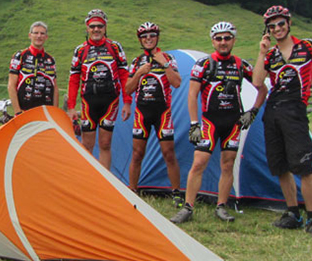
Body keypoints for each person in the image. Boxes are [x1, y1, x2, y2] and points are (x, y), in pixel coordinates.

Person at [252, 5, 312, 241]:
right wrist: (261, 52)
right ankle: (293, 214)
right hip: (272, 112)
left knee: (304, 166)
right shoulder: (269, 55)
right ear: (268, 30)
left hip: (295, 111)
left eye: (281, 23)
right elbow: (258, 82)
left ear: (289, 23)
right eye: (272, 26)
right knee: (280, 167)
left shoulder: (308, 46)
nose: (278, 28)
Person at [170, 21, 267, 224]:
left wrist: (253, 112)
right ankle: (188, 207)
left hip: (233, 123)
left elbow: (261, 87)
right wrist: (194, 123)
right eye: (219, 38)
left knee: (227, 165)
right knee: (198, 163)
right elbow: (192, 94)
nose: (223, 42)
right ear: (213, 41)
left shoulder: (241, 65)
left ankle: (221, 207)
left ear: (233, 40)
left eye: (227, 38)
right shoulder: (203, 64)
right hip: (210, 122)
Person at [125, 22, 183, 202]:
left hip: (162, 113)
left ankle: (176, 193)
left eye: (152, 35)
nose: (148, 39)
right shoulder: (136, 62)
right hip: (142, 113)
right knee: (137, 154)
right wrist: (139, 73)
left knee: (169, 154)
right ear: (140, 40)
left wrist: (164, 64)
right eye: (144, 36)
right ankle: (132, 192)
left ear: (157, 37)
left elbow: (177, 82)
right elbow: (127, 89)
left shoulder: (168, 58)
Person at [67, 9, 131, 169]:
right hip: (89, 103)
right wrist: (71, 107)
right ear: (87, 28)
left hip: (111, 103)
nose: (96, 29)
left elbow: (124, 76)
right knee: (87, 144)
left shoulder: (115, 47)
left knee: (105, 144)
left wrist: (128, 102)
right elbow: (74, 80)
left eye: (100, 26)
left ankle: (106, 184)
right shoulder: (80, 50)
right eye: (93, 26)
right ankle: (86, 183)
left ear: (105, 27)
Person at [8, 21, 58, 114]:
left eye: (42, 33)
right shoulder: (19, 56)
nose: (39, 36)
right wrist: (17, 111)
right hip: (24, 112)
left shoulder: (51, 59)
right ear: (30, 35)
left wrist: (55, 112)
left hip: (46, 113)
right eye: (36, 33)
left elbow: (55, 88)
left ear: (46, 37)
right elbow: (11, 86)